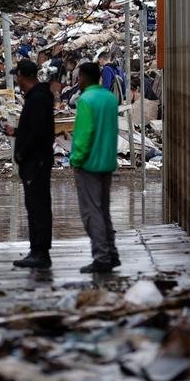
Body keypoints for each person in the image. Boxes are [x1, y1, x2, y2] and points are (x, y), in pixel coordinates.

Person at [4, 59, 55, 268]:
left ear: (22, 76)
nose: (16, 78)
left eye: (17, 75)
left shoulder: (38, 99)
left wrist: (23, 153)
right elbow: (35, 129)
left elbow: (37, 133)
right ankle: (37, 250)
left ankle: (40, 252)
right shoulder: (37, 97)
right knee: (35, 206)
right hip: (36, 160)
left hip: (36, 162)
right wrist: (16, 132)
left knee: (38, 207)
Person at [70, 62, 120, 273]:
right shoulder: (110, 99)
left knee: (92, 213)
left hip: (89, 164)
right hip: (107, 162)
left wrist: (75, 160)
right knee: (104, 211)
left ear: (84, 78)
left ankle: (101, 256)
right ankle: (112, 253)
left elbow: (84, 134)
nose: (77, 81)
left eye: (79, 77)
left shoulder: (85, 100)